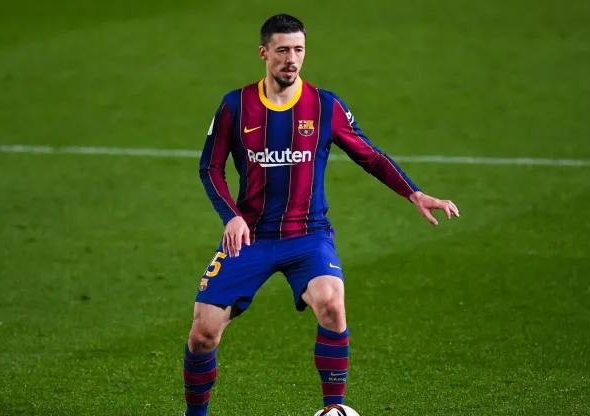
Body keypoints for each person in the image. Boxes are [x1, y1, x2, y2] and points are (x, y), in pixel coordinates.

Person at [184, 13, 459, 416]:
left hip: (308, 235)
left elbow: (369, 155)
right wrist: (231, 216)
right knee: (203, 334)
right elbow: (210, 167)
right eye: (281, 50)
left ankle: (333, 410)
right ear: (264, 53)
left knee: (331, 303)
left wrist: (412, 192)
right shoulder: (235, 105)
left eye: (298, 50)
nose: (291, 59)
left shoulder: (324, 105)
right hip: (250, 236)